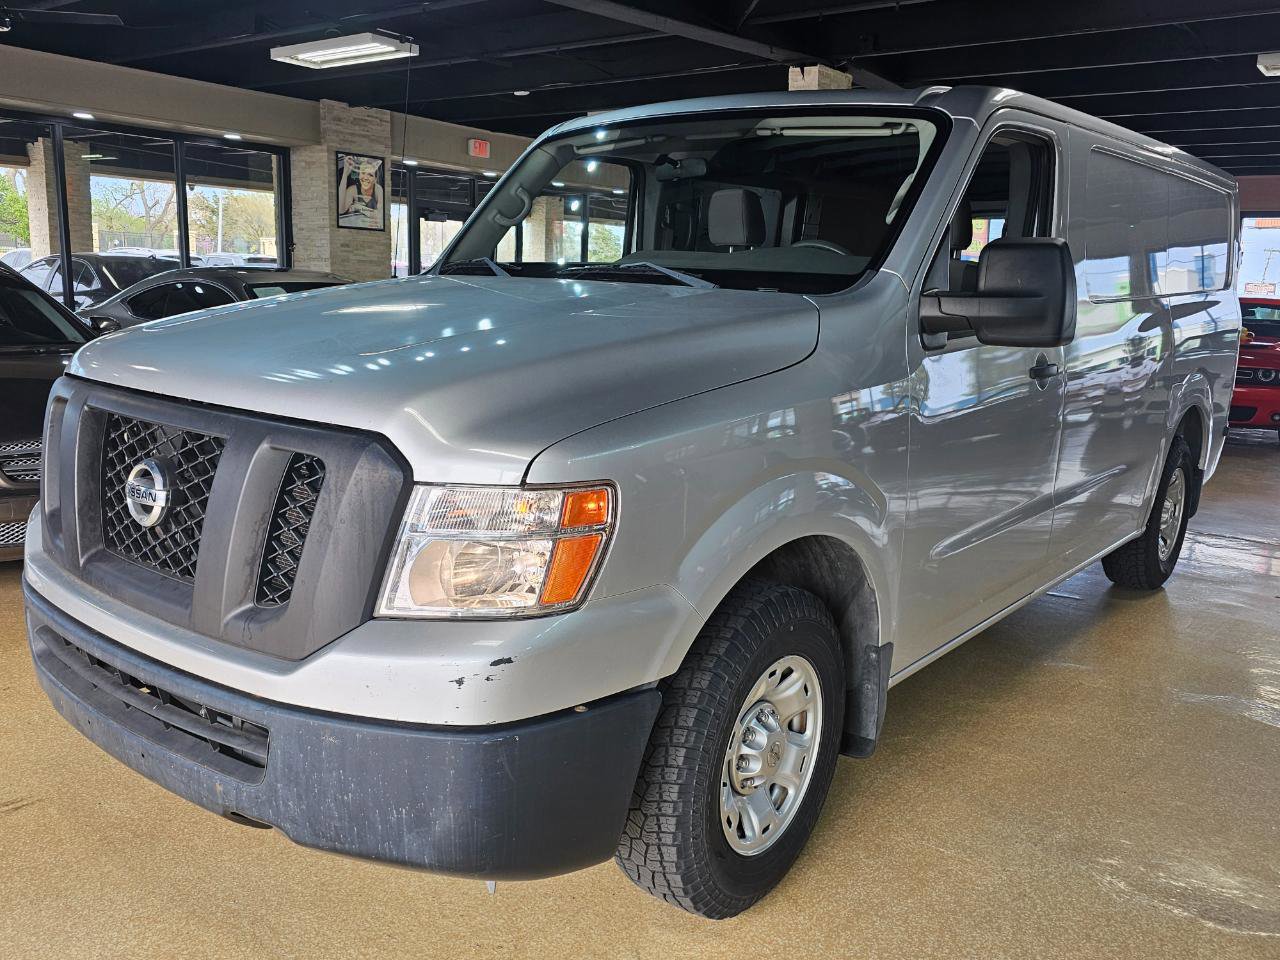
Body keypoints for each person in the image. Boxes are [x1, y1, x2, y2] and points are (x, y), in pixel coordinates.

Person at [338, 155, 384, 228]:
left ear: (375, 179)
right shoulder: (353, 190)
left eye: (370, 175)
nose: (365, 177)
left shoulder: (378, 190)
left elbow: (380, 215)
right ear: (359, 175)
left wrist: (357, 206)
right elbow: (340, 210)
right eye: (363, 173)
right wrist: (345, 174)